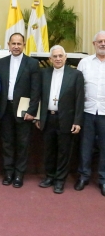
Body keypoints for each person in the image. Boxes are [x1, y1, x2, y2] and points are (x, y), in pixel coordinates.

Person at [36, 45, 84, 194]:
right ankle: (49, 176)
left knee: (64, 151)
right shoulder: (44, 73)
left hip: (66, 119)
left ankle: (60, 180)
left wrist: (77, 121)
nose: (57, 59)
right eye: (54, 56)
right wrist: (38, 116)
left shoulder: (75, 75)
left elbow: (79, 99)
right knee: (49, 150)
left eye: (60, 56)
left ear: (65, 57)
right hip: (48, 117)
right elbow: (38, 96)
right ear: (50, 59)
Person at [0, 33, 40, 188]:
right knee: (7, 142)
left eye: (19, 44)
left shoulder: (33, 63)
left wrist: (32, 110)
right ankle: (8, 173)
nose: (16, 46)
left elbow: (36, 90)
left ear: (24, 45)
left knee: (22, 143)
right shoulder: (1, 63)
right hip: (5, 108)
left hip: (24, 110)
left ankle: (19, 174)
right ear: (8, 44)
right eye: (13, 43)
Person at [74, 31, 105, 196]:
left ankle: (103, 179)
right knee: (85, 146)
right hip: (87, 111)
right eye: (99, 41)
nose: (103, 44)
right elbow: (77, 90)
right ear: (94, 44)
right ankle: (83, 176)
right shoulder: (84, 63)